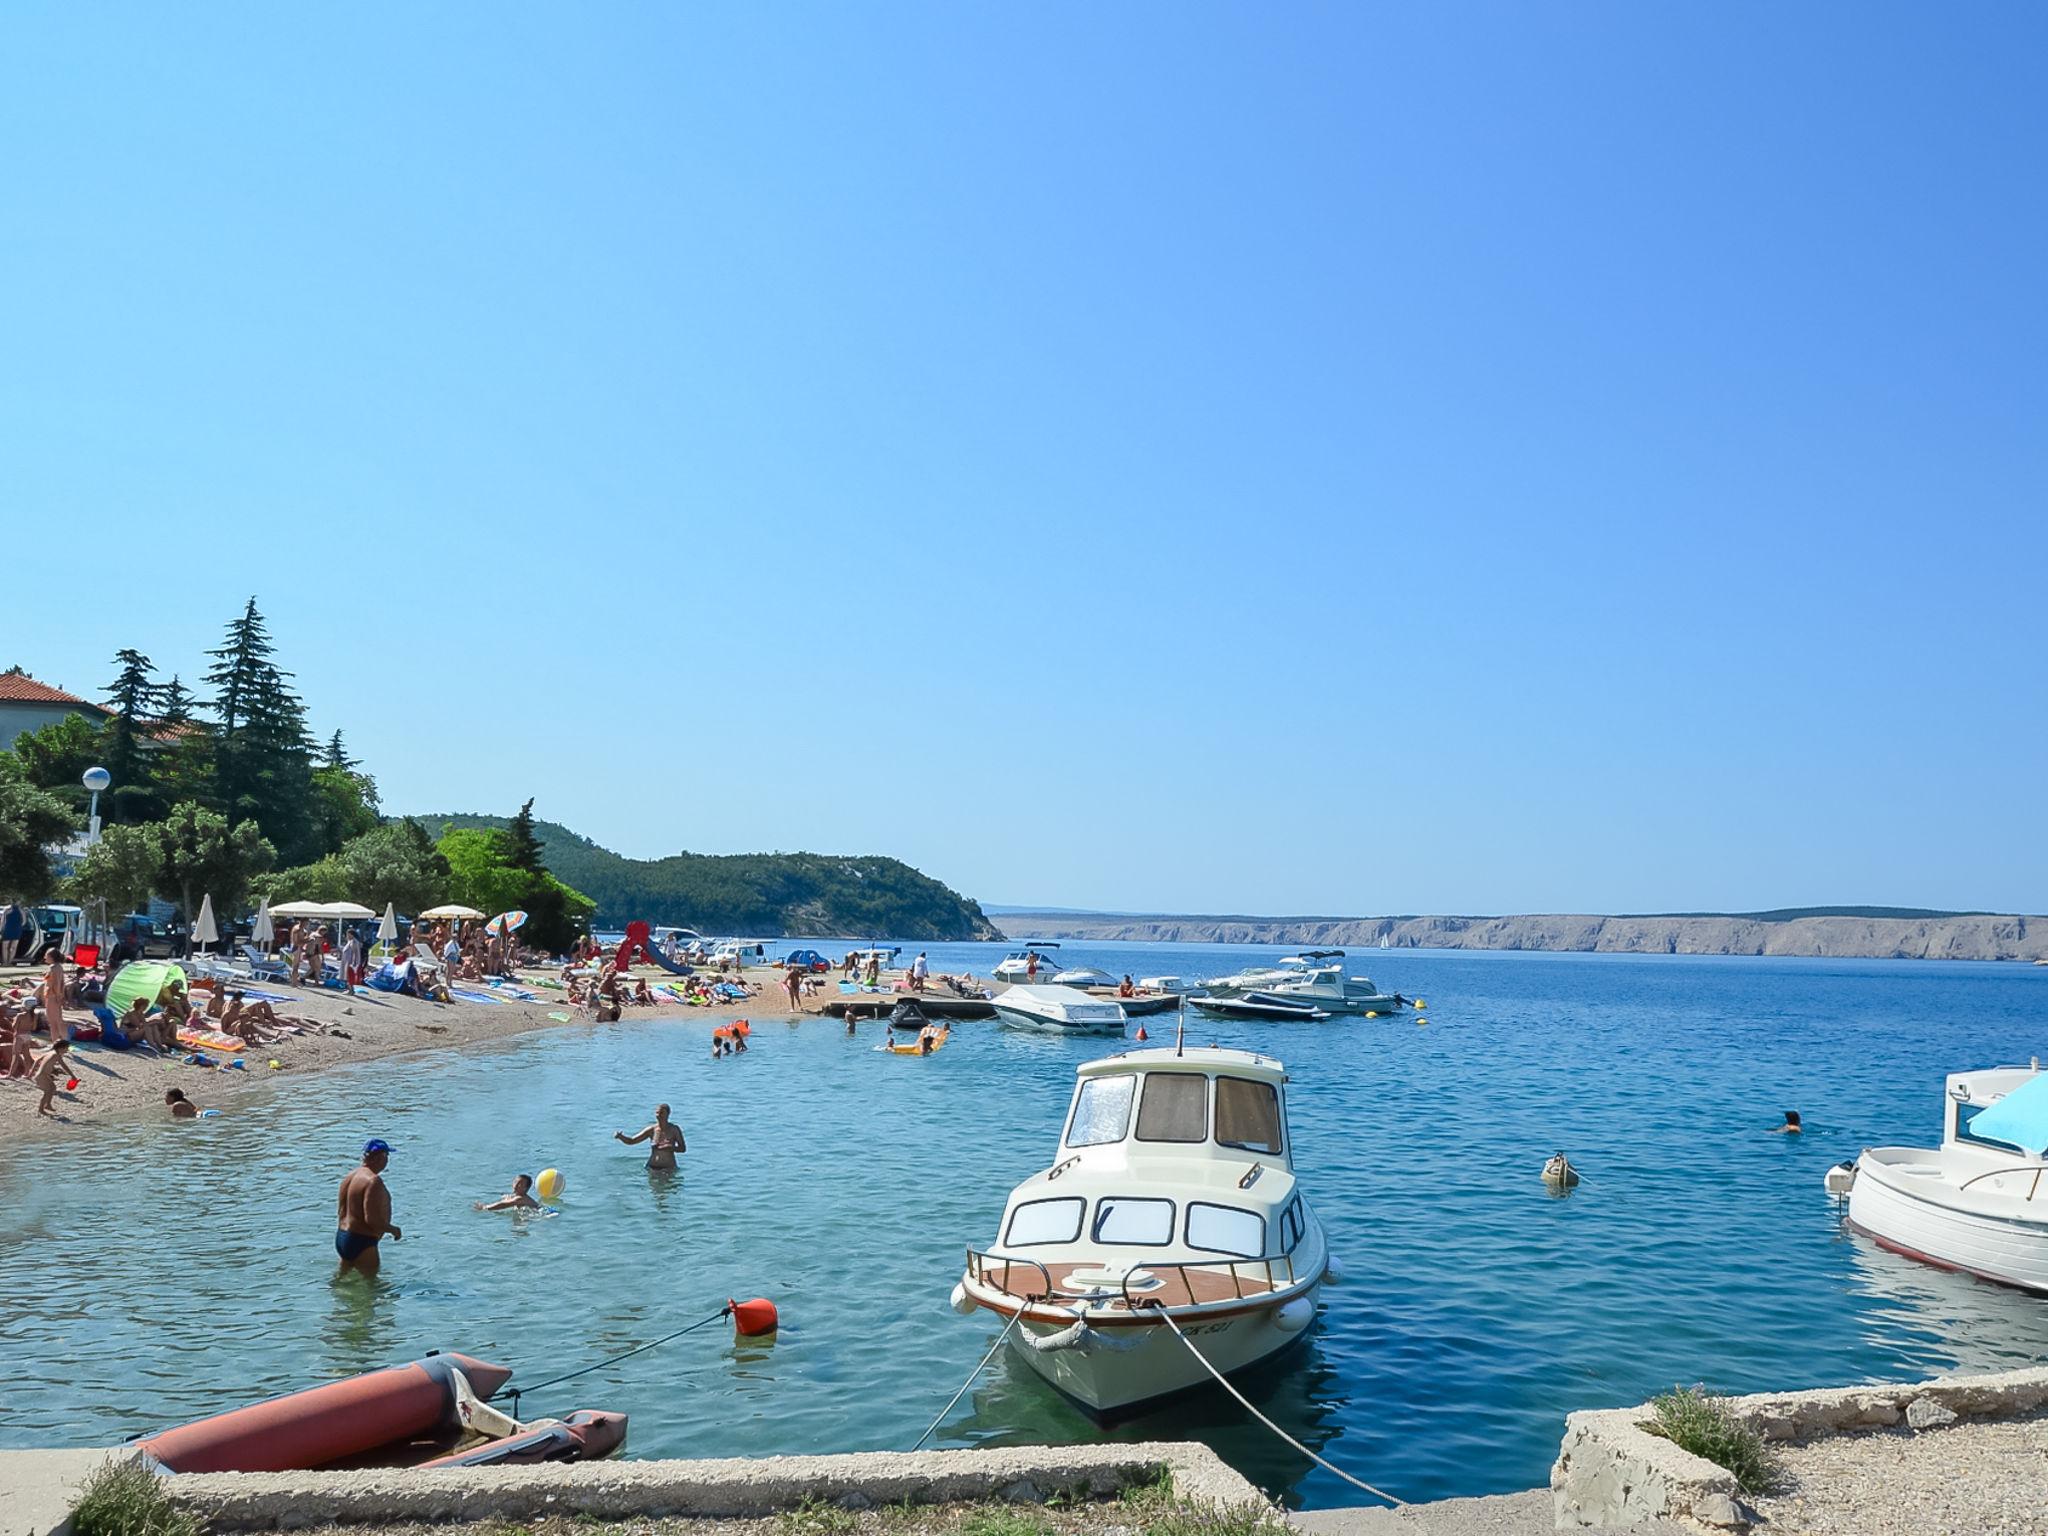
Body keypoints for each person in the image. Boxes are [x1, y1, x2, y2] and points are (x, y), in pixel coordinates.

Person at [336, 1139, 402, 1275]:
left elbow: (341, 1211)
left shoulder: (350, 1176)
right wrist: (393, 1230)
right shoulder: (372, 1181)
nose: (387, 1161)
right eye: (387, 1156)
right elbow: (371, 1220)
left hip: (342, 1237)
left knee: (340, 1282)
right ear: (381, 1157)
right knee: (371, 1289)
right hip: (362, 1240)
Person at [615, 1103, 686, 1170]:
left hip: (669, 1167)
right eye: (657, 1113)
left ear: (668, 1114)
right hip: (652, 1167)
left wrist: (670, 1147)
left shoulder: (674, 1129)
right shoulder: (652, 1129)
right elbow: (632, 1141)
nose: (659, 1115)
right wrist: (621, 1137)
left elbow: (682, 1148)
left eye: (662, 1113)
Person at [34, 1039, 73, 1114]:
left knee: (53, 1088)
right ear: (61, 1048)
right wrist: (72, 1076)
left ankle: (48, 1104)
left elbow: (37, 1060)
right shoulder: (56, 1055)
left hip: (41, 1075)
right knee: (48, 1091)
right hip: (42, 1076)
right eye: (66, 1048)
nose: (67, 1050)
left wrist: (30, 1072)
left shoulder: (50, 1053)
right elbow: (64, 1066)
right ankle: (41, 1109)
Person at [475, 1174, 540, 1211]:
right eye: (515, 1182)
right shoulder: (517, 1197)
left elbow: (503, 1204)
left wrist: (485, 1207)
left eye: (520, 1184)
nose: (516, 1185)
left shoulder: (520, 1198)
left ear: (526, 1188)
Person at [40, 954, 67, 1043]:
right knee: (58, 1020)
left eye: (46, 956)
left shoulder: (52, 968)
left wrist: (56, 995)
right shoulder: (59, 967)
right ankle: (60, 1041)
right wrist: (60, 995)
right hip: (56, 995)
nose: (44, 958)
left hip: (52, 996)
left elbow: (52, 983)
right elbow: (61, 982)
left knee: (53, 1022)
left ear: (51, 957)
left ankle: (58, 1042)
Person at [0, 900, 23, 966]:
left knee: (5, 947)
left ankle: (5, 962)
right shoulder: (21, 911)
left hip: (7, 929)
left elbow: (2, 921)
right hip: (17, 930)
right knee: (13, 947)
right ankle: (9, 962)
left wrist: (1, 930)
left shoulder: (6, 910)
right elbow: (24, 921)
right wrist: (18, 926)